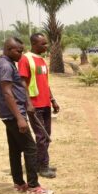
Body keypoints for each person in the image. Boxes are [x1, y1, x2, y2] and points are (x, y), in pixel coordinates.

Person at [0, 37, 53, 194]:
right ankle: (34, 186)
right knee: (31, 148)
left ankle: (19, 183)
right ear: (8, 49)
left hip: (10, 114)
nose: (21, 54)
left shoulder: (6, 63)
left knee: (15, 149)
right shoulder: (6, 65)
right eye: (18, 51)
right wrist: (19, 117)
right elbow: (7, 92)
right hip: (13, 114)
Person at [18, 33, 59, 178]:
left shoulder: (41, 60)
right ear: (34, 44)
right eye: (43, 44)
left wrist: (52, 99)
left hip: (45, 103)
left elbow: (45, 83)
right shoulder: (25, 59)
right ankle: (43, 167)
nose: (46, 46)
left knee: (46, 136)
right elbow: (22, 83)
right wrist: (28, 103)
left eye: (46, 43)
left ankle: (38, 163)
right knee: (41, 136)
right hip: (34, 106)